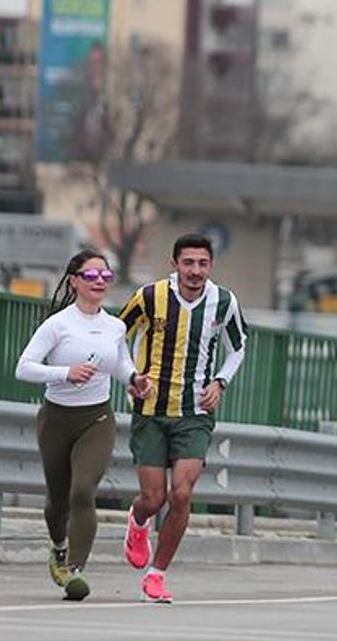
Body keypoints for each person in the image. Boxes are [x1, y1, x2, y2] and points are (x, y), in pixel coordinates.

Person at [15, 250, 154, 601]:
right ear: (74, 280)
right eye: (91, 276)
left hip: (97, 418)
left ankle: (74, 569)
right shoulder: (58, 324)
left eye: (105, 277)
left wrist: (134, 379)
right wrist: (66, 373)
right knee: (58, 501)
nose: (99, 283)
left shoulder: (115, 326)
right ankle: (59, 547)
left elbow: (120, 363)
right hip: (56, 419)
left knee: (82, 491)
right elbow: (24, 367)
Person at [117, 233, 248, 603]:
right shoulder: (149, 296)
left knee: (181, 494)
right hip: (151, 411)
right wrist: (130, 375)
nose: (195, 271)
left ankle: (156, 575)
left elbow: (238, 348)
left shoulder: (224, 301)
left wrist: (221, 382)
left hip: (195, 414)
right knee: (152, 497)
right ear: (174, 263)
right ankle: (138, 520)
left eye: (202, 264)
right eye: (188, 263)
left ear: (211, 266)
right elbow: (115, 336)